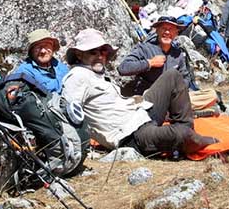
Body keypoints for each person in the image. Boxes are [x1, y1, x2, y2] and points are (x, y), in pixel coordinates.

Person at [62, 28, 217, 157]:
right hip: (132, 135)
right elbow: (69, 114)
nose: (100, 56)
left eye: (102, 51)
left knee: (172, 76)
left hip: (140, 112)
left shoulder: (97, 75)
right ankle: (189, 138)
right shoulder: (77, 77)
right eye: (92, 52)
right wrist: (80, 149)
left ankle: (186, 131)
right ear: (79, 54)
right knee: (182, 134)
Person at [118, 16, 198, 96]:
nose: (167, 32)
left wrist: (178, 88)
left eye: (171, 29)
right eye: (164, 28)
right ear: (157, 31)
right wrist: (150, 63)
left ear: (176, 33)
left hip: (171, 95)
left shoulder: (178, 54)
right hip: (149, 96)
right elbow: (123, 68)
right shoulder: (145, 48)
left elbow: (186, 77)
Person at [5, 29, 69, 93]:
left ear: (52, 47)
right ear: (31, 51)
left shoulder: (62, 67)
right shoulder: (24, 73)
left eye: (47, 45)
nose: (43, 51)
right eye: (38, 47)